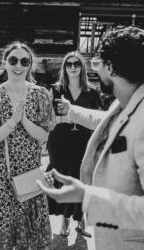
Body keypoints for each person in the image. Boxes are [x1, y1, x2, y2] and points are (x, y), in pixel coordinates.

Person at [42, 26, 144, 249]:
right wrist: (71, 111)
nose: (96, 70)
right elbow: (104, 121)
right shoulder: (130, 99)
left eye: (98, 63)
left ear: (111, 67)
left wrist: (88, 196)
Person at [0, 42, 53, 249]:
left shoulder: (40, 95)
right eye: (13, 60)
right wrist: (12, 122)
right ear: (5, 63)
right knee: (2, 230)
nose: (18, 65)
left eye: (24, 61)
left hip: (30, 172)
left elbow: (43, 136)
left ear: (30, 66)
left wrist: (24, 120)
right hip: (1, 174)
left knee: (31, 234)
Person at [46, 51, 102, 238]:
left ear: (82, 67)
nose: (72, 67)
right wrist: (65, 119)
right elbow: (45, 117)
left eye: (76, 64)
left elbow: (97, 119)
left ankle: (81, 220)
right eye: (68, 64)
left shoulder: (92, 91)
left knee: (81, 178)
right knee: (63, 178)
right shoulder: (56, 89)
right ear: (64, 67)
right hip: (59, 141)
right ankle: (65, 219)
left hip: (83, 142)